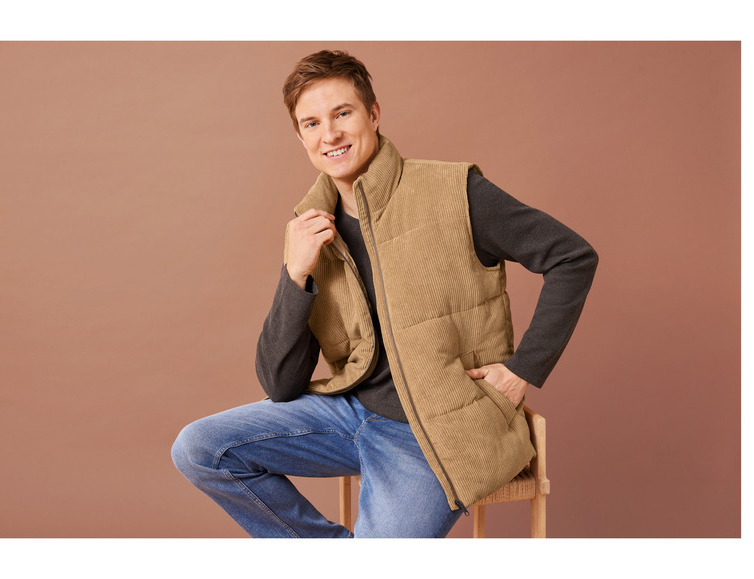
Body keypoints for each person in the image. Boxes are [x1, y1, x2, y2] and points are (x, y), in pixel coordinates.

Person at [171, 49, 598, 538]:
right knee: (199, 448)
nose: (329, 134)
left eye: (342, 114)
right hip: (348, 412)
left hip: (433, 432)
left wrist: (524, 369)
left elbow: (572, 257)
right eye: (312, 123)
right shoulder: (311, 229)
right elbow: (281, 385)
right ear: (301, 137)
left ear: (373, 114)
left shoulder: (455, 191)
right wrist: (295, 274)